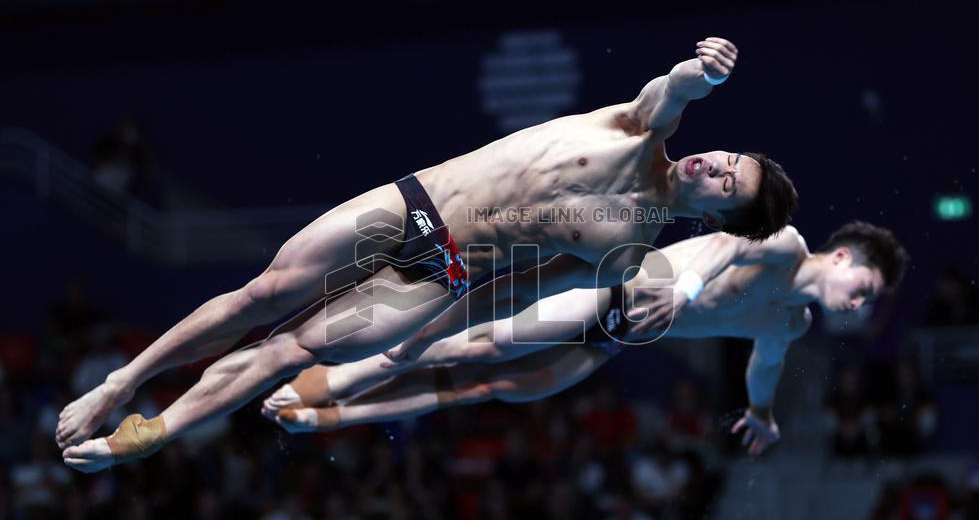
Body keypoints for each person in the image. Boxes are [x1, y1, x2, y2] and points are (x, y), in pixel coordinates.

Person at [59, 35, 798, 472]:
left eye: (729, 181)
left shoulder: (629, 252)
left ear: (722, 215)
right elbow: (677, 87)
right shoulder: (640, 128)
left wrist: (427, 345)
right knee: (263, 295)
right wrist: (708, 72)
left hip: (441, 274)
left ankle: (159, 430)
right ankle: (122, 383)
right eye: (727, 154)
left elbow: (520, 298)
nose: (715, 164)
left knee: (286, 351)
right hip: (409, 205)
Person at [263, 221, 907, 456]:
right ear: (845, 256)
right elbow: (719, 244)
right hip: (622, 286)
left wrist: (762, 413)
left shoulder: (789, 323)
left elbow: (764, 367)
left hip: (615, 338)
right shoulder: (786, 245)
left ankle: (334, 410)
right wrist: (678, 294)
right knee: (476, 344)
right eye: (866, 288)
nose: (859, 305)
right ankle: (330, 372)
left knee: (497, 381)